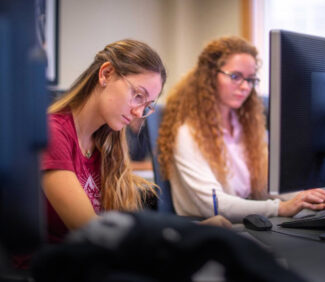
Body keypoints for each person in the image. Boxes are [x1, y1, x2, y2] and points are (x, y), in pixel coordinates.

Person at [41, 39, 231, 247]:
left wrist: (193, 230)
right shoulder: (53, 133)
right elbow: (96, 233)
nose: (139, 112)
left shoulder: (105, 141)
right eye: (138, 96)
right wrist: (186, 233)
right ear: (106, 74)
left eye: (147, 105)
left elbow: (120, 228)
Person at [157, 36, 325, 222]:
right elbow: (212, 204)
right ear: (208, 78)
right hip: (208, 227)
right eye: (235, 76)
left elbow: (266, 185)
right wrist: (279, 207)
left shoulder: (247, 128)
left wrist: (311, 196)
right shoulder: (188, 134)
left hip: (244, 222)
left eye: (250, 79)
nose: (245, 87)